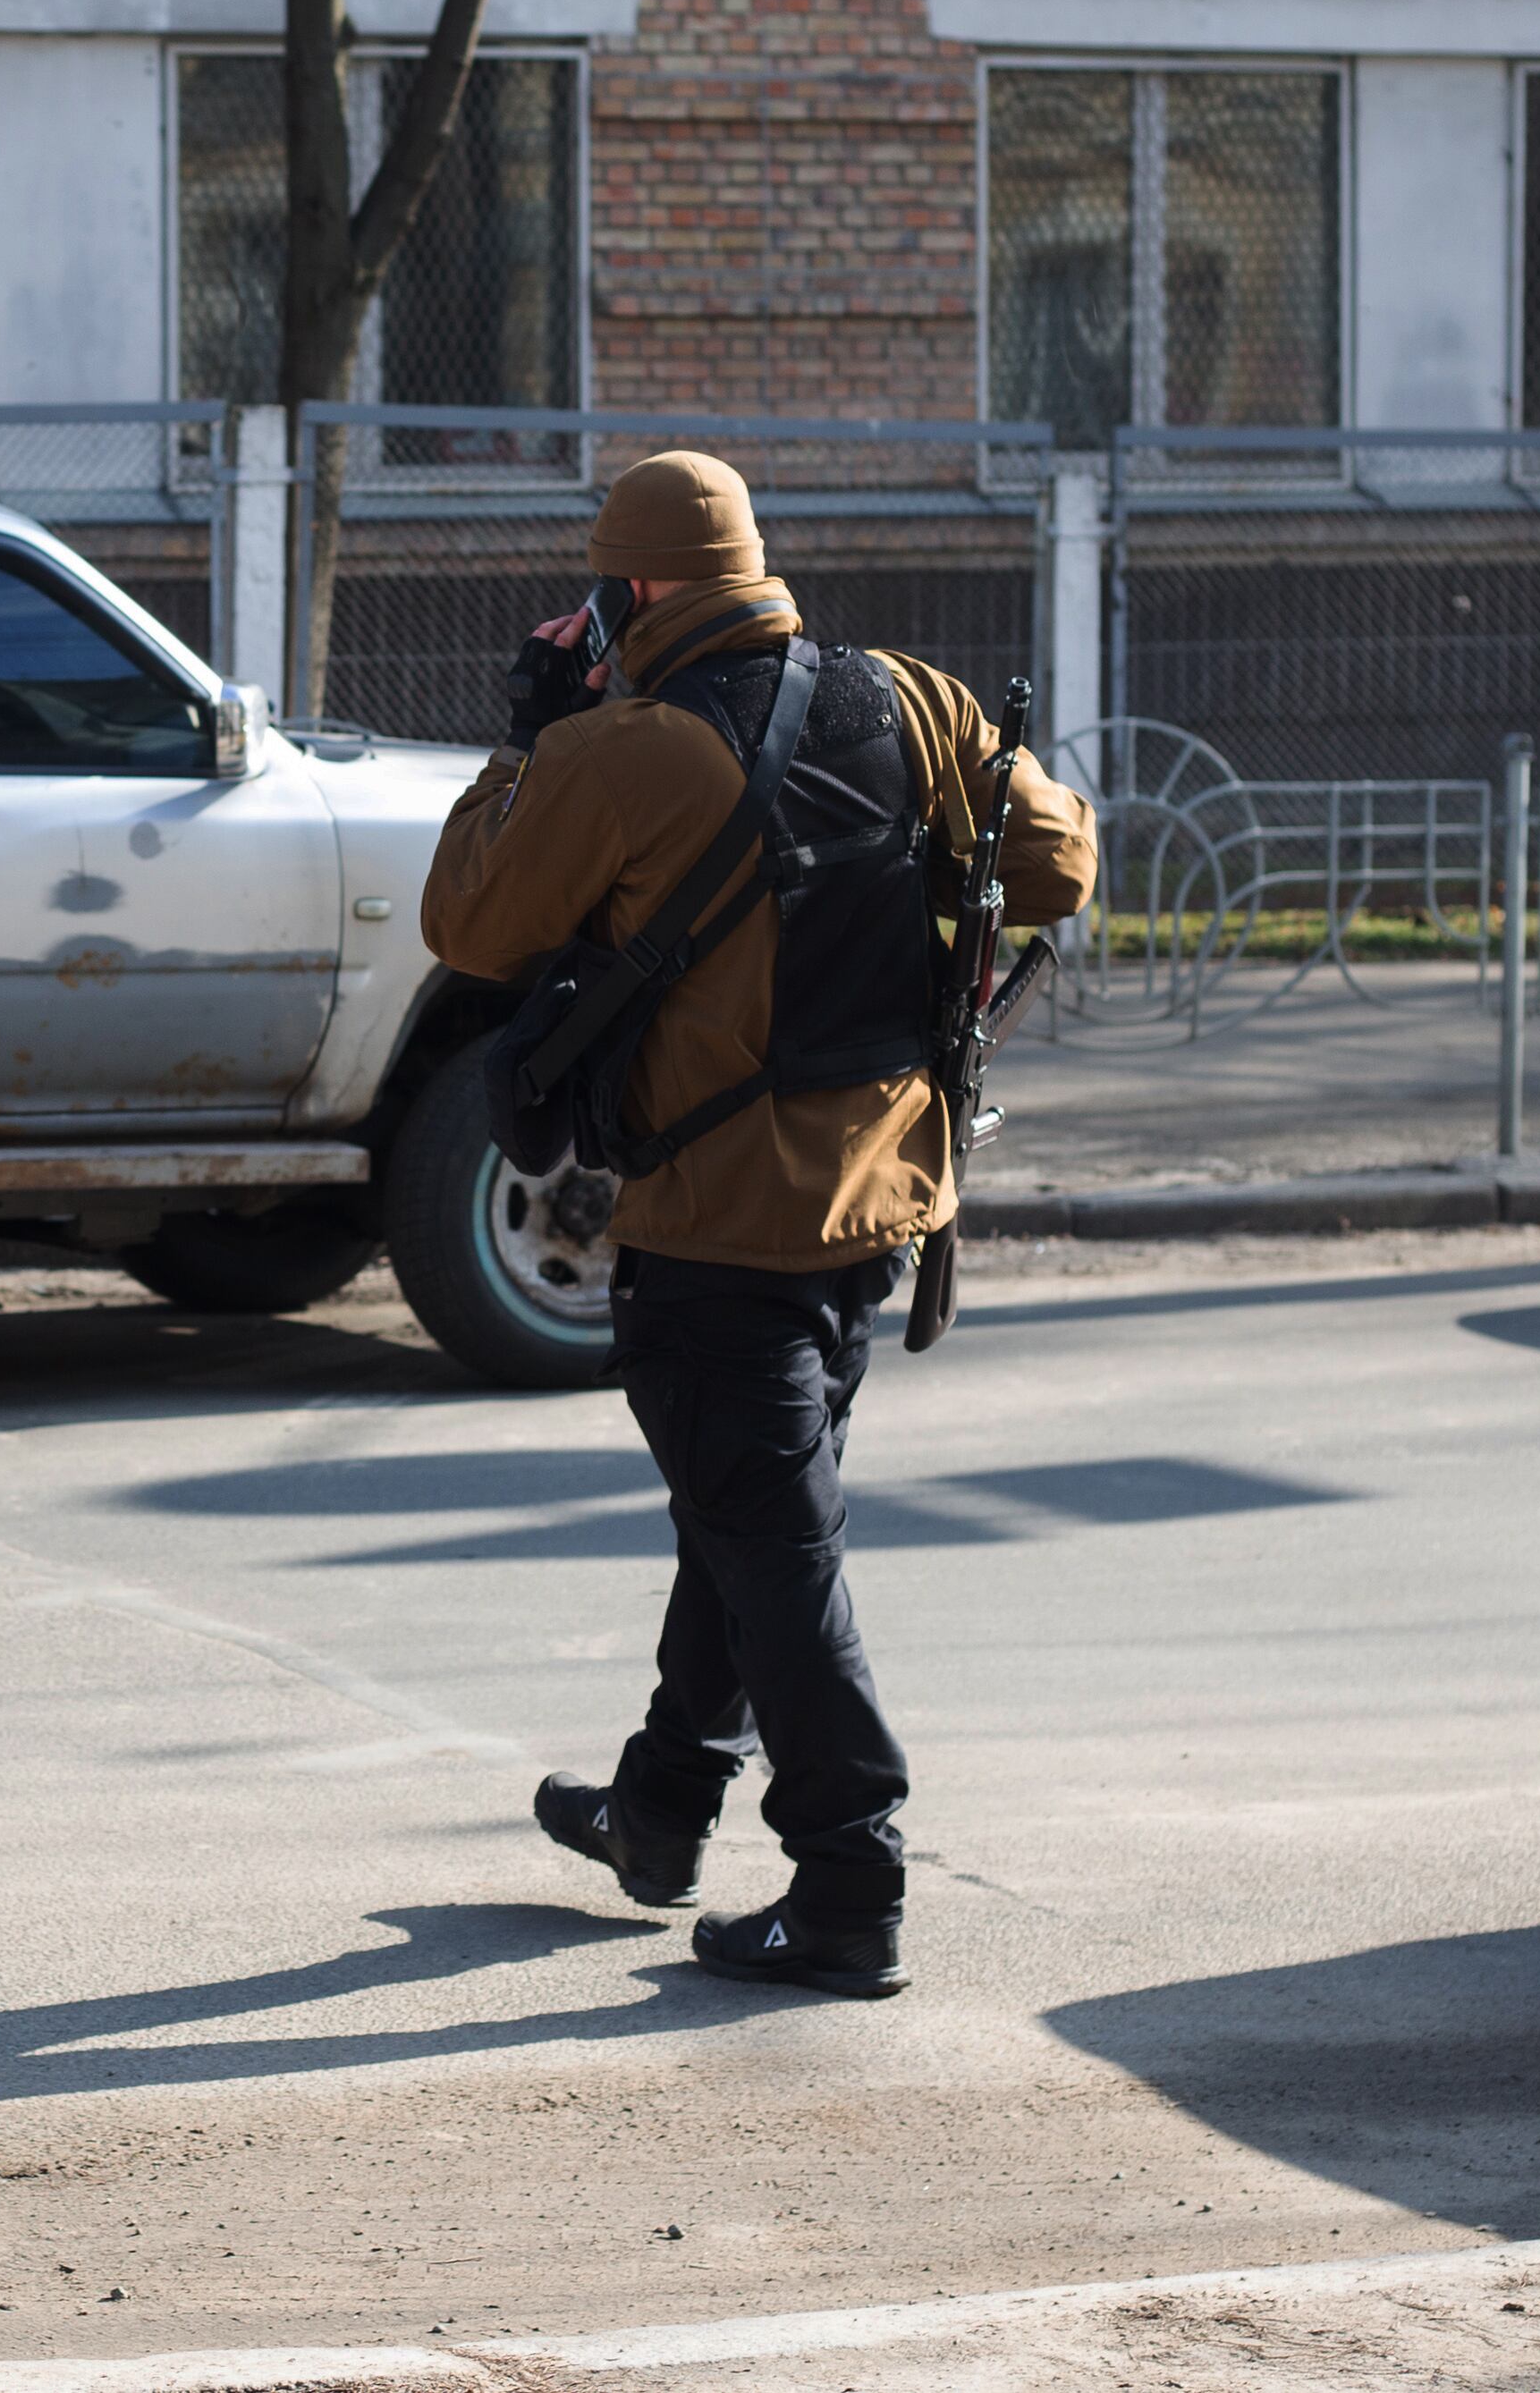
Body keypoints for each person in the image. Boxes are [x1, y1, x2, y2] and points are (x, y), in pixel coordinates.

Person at [419, 450, 1096, 2000]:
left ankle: (851, 1882)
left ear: (633, 593)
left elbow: (471, 918)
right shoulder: (905, 699)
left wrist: (529, 740)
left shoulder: (620, 752)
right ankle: (659, 1814)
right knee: (746, 1518)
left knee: (774, 1548)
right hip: (879, 1205)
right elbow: (1059, 860)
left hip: (718, 1225)